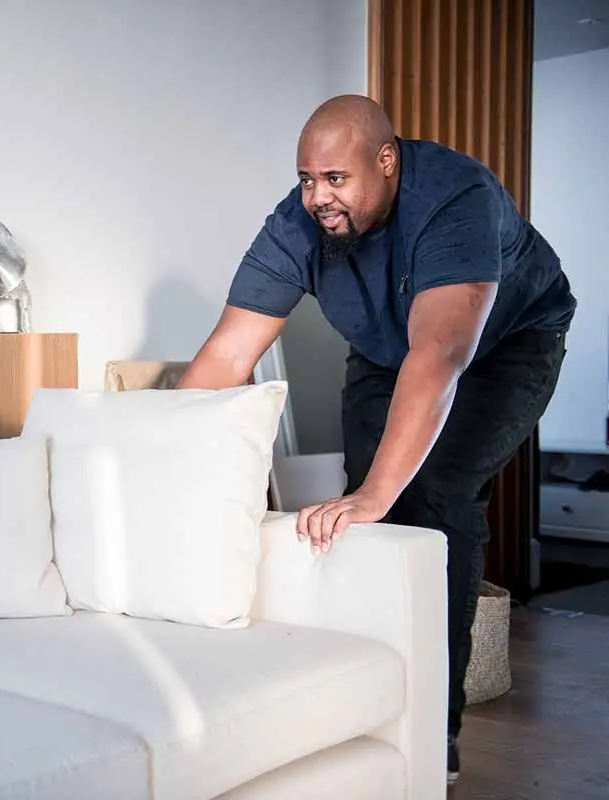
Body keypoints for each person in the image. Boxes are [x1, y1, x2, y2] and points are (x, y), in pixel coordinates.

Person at [177, 94, 575, 786]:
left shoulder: (456, 197)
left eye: (336, 179)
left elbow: (441, 355)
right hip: (388, 347)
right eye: (306, 179)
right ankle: (369, 700)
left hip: (505, 345)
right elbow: (226, 354)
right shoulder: (296, 225)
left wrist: (375, 493)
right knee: (368, 519)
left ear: (386, 161)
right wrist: (155, 459)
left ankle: (433, 732)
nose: (317, 197)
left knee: (437, 494)